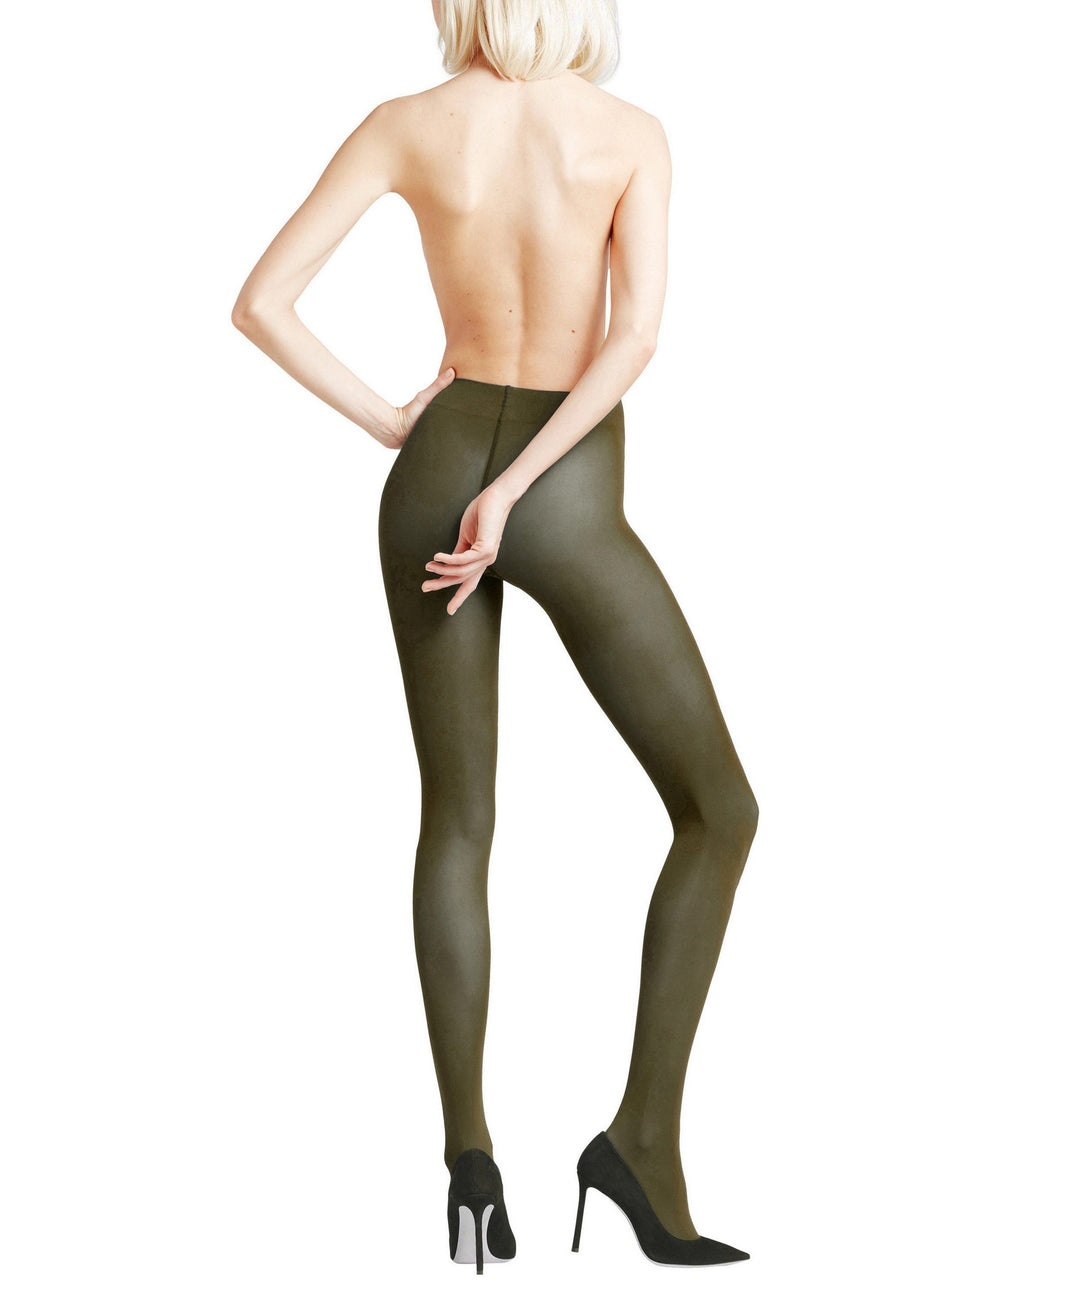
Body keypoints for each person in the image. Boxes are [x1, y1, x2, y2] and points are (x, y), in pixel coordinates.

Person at [231, 0, 759, 1273]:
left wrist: (389, 423)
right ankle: (641, 1146)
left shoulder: (408, 124)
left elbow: (261, 303)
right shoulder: (629, 132)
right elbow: (634, 338)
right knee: (719, 810)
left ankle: (469, 1159)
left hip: (435, 470)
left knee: (457, 819)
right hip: (565, 491)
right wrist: (519, 493)